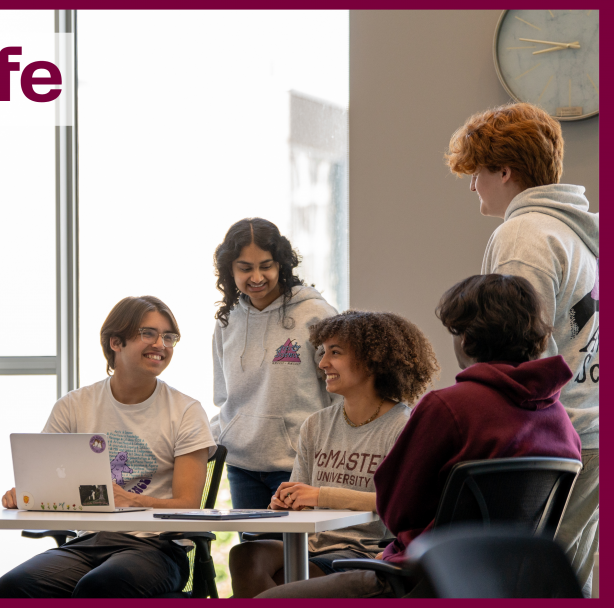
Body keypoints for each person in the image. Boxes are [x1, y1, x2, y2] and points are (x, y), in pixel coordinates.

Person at [257, 275, 582, 598]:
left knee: (266, 601)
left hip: (419, 578)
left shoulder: (449, 407)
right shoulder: (559, 421)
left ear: (466, 337)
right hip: (502, 583)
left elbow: (397, 512)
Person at [445, 103, 598, 595]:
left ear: (505, 171)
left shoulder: (523, 234)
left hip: (554, 436)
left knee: (525, 587)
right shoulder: (577, 233)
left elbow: (513, 348)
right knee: (571, 580)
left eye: (477, 173)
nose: (473, 187)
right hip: (588, 430)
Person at [0, 296, 217, 598]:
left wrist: (130, 500)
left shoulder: (186, 410)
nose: (161, 344)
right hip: (88, 542)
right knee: (8, 590)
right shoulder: (74, 405)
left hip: (157, 547)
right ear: (115, 342)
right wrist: (29, 494)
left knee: (100, 587)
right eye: (148, 333)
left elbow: (188, 503)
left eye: (169, 337)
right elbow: (48, 480)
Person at [229, 311, 438, 597]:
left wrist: (319, 495)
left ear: (372, 359)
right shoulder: (316, 424)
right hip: (311, 546)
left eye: (335, 353)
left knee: (289, 582)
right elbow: (300, 499)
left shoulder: (403, 426)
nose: (322, 363)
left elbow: (402, 505)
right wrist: (286, 502)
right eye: (323, 352)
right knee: (246, 555)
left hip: (365, 553)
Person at [210, 218, 338, 509]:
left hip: (298, 464)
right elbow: (223, 396)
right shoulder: (227, 322)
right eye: (245, 267)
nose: (256, 276)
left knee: (294, 553)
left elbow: (339, 391)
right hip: (241, 464)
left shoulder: (316, 314)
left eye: (265, 265)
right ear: (230, 270)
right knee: (252, 552)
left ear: (281, 264)